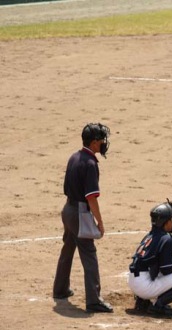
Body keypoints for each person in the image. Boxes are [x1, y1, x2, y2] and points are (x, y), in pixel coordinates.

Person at [53, 123, 113, 313]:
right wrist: (99, 221)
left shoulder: (75, 157)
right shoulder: (90, 164)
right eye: (101, 140)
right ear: (94, 142)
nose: (104, 143)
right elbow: (91, 198)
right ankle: (94, 300)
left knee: (68, 249)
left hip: (68, 209)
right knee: (89, 254)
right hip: (79, 212)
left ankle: (60, 289)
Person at [128, 200, 172, 317]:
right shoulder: (166, 239)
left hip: (134, 281)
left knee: (161, 270)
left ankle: (142, 302)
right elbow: (166, 271)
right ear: (166, 222)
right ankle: (157, 306)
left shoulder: (149, 236)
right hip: (144, 286)